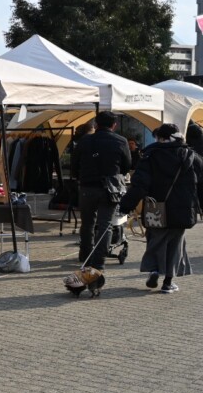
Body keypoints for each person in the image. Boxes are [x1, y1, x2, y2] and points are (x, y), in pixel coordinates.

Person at [119, 123, 203, 293]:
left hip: (155, 207)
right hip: (183, 209)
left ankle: (154, 270)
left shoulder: (150, 155)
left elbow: (140, 185)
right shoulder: (191, 156)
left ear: (159, 138)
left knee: (155, 240)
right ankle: (168, 282)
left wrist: (126, 205)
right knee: (176, 244)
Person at [70, 111, 131, 268]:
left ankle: (85, 255)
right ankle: (99, 261)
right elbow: (127, 165)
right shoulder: (121, 141)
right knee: (105, 225)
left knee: (87, 223)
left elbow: (74, 164)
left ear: (96, 124)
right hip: (110, 188)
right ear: (114, 125)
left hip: (87, 186)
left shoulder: (84, 141)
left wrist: (80, 177)